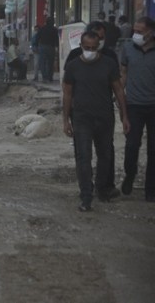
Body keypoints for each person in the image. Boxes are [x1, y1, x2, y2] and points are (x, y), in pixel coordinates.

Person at [63, 31, 129, 212]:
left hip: (105, 118)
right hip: (81, 118)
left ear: (99, 46)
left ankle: (101, 189)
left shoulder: (108, 64)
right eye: (87, 48)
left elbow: (118, 90)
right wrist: (66, 120)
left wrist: (124, 115)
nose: (90, 51)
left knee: (105, 156)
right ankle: (86, 195)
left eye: (94, 48)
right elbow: (67, 94)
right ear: (81, 46)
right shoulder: (73, 66)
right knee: (83, 157)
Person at [120, 16, 155, 202]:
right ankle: (130, 174)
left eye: (140, 32)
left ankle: (151, 189)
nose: (136, 34)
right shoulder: (128, 48)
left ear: (151, 33)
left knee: (153, 150)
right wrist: (120, 99)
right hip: (134, 105)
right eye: (135, 30)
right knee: (132, 145)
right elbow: (123, 74)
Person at [36, 17, 59, 83]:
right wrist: (57, 47)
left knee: (42, 62)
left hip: (42, 47)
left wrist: (37, 46)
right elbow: (57, 39)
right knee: (50, 63)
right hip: (51, 47)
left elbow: (37, 37)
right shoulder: (54, 30)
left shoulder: (42, 29)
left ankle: (44, 77)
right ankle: (50, 77)